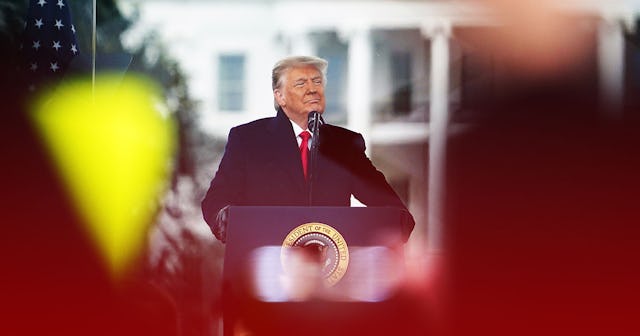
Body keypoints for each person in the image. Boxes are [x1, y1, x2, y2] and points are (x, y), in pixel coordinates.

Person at [201, 55, 414, 243]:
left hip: (331, 274)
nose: (313, 89)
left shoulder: (345, 144)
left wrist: (388, 229)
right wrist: (230, 222)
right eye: (301, 83)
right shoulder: (248, 139)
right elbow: (216, 201)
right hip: (265, 270)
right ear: (280, 96)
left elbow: (393, 210)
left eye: (317, 82)